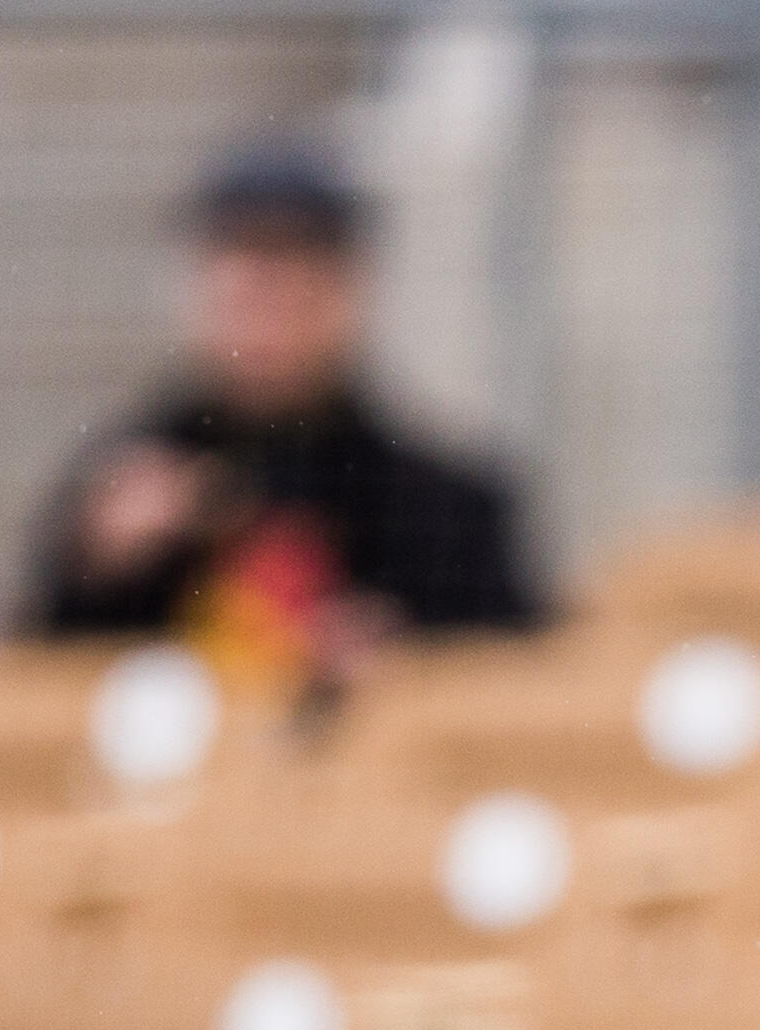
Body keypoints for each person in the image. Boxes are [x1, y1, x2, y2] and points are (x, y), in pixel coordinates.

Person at [29, 143, 540, 680]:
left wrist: (413, 661)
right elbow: (27, 686)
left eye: (298, 278)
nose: (272, 308)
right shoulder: (116, 492)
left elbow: (515, 684)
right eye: (248, 287)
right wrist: (96, 575)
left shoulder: (446, 507)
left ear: (351, 292)